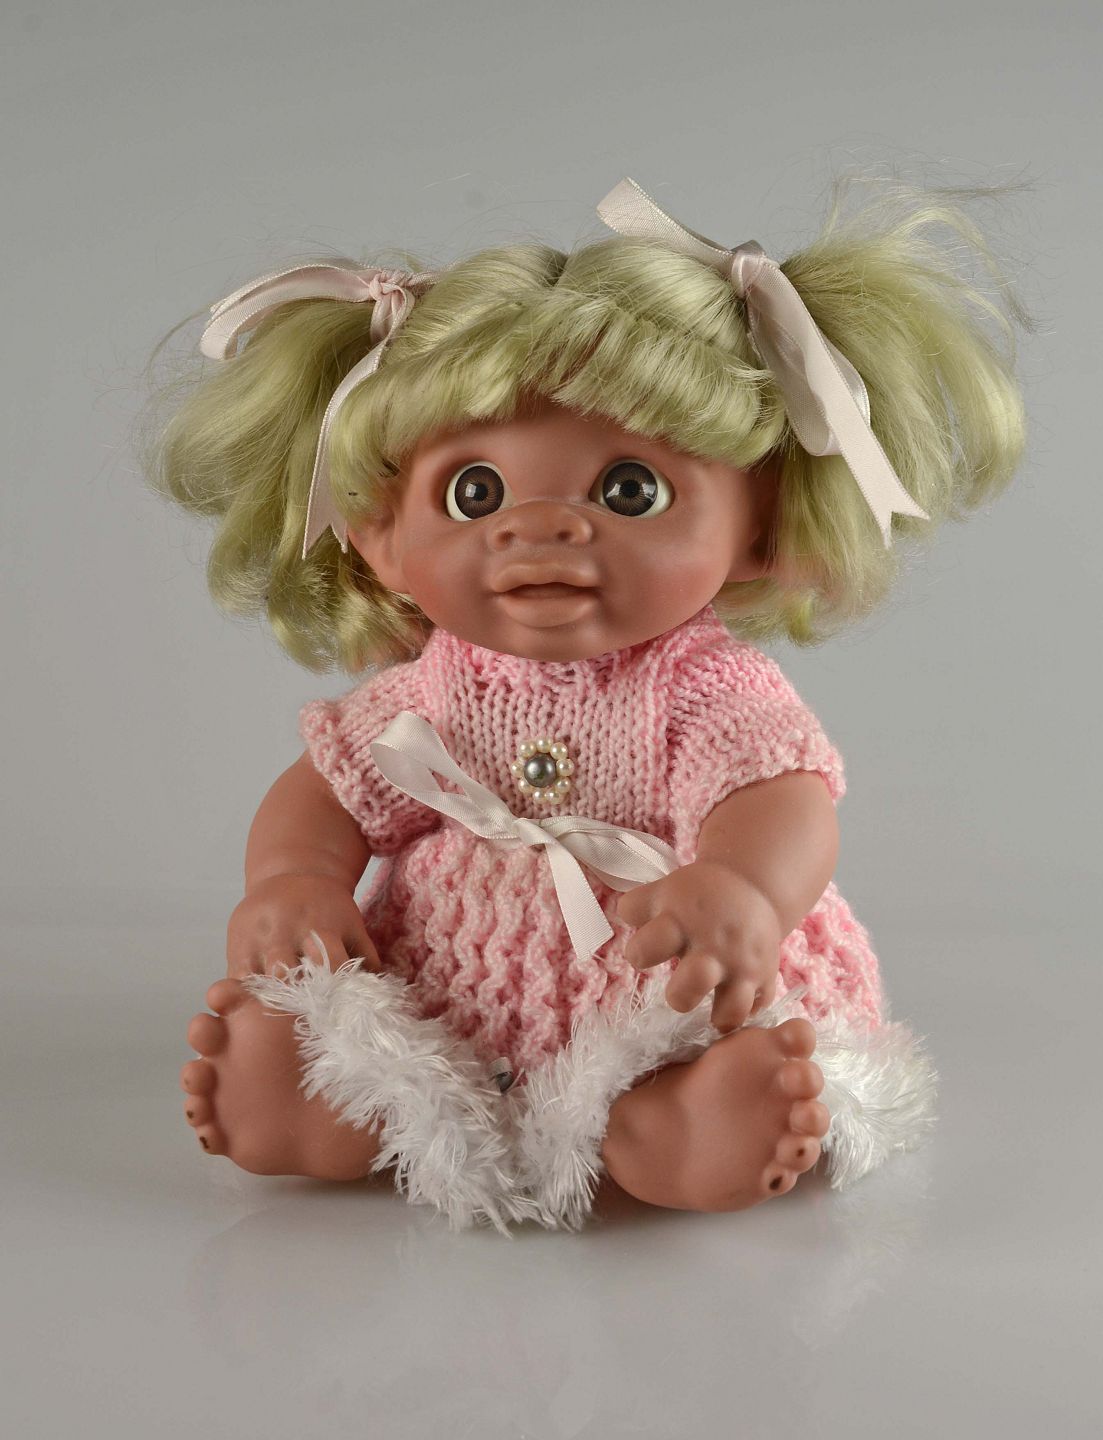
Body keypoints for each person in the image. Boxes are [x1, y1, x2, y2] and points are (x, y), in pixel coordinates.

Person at [156, 177, 1027, 1231]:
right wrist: (294, 880)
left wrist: (742, 889)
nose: (538, 528)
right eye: (474, 493)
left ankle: (686, 1120)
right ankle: (331, 1103)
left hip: (662, 974)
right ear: (378, 535)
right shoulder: (430, 689)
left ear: (760, 521)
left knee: (689, 1037)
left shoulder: (700, 690)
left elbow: (780, 794)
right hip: (455, 977)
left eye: (628, 491)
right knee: (380, 1039)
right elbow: (329, 791)